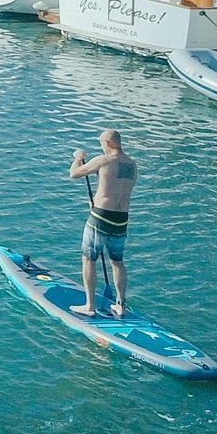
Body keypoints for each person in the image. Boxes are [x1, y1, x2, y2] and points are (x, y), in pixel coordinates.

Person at [69, 128, 136, 318]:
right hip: (121, 219)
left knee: (89, 259)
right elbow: (116, 189)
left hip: (100, 217)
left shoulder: (103, 160)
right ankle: (120, 305)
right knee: (117, 262)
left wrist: (78, 157)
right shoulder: (132, 165)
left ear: (107, 143)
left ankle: (89, 306)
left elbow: (74, 174)